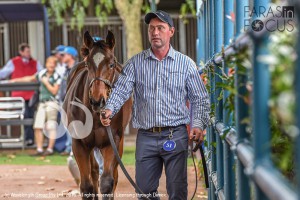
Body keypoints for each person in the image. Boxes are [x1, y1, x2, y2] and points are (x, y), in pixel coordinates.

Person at [100, 10, 210, 200]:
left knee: (178, 191)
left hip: (175, 136)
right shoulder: (135, 63)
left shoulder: (186, 64)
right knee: (144, 192)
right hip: (146, 138)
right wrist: (109, 108)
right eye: (152, 28)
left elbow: (200, 98)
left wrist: (198, 125)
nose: (155, 32)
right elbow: (120, 91)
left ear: (171, 32)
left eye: (160, 28)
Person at [9, 56, 61, 156]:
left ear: (55, 65)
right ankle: (40, 149)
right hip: (42, 102)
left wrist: (46, 83)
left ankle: (50, 149)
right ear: (46, 64)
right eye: (49, 63)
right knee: (37, 126)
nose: (51, 65)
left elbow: (54, 91)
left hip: (52, 102)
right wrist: (15, 80)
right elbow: (30, 78)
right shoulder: (41, 73)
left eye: (53, 63)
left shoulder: (57, 76)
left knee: (51, 126)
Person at [0, 43, 43, 146]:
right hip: (19, 95)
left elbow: (42, 73)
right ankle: (28, 139)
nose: (29, 53)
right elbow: (2, 74)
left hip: (31, 95)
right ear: (21, 52)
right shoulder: (13, 62)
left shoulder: (35, 63)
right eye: (27, 51)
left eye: (29, 51)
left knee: (31, 115)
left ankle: (29, 139)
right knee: (25, 115)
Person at [57, 46, 78, 155]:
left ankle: (74, 149)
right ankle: (70, 148)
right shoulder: (65, 68)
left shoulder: (77, 68)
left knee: (74, 125)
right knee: (67, 126)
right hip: (63, 100)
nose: (62, 56)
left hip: (73, 101)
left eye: (64, 55)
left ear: (70, 56)